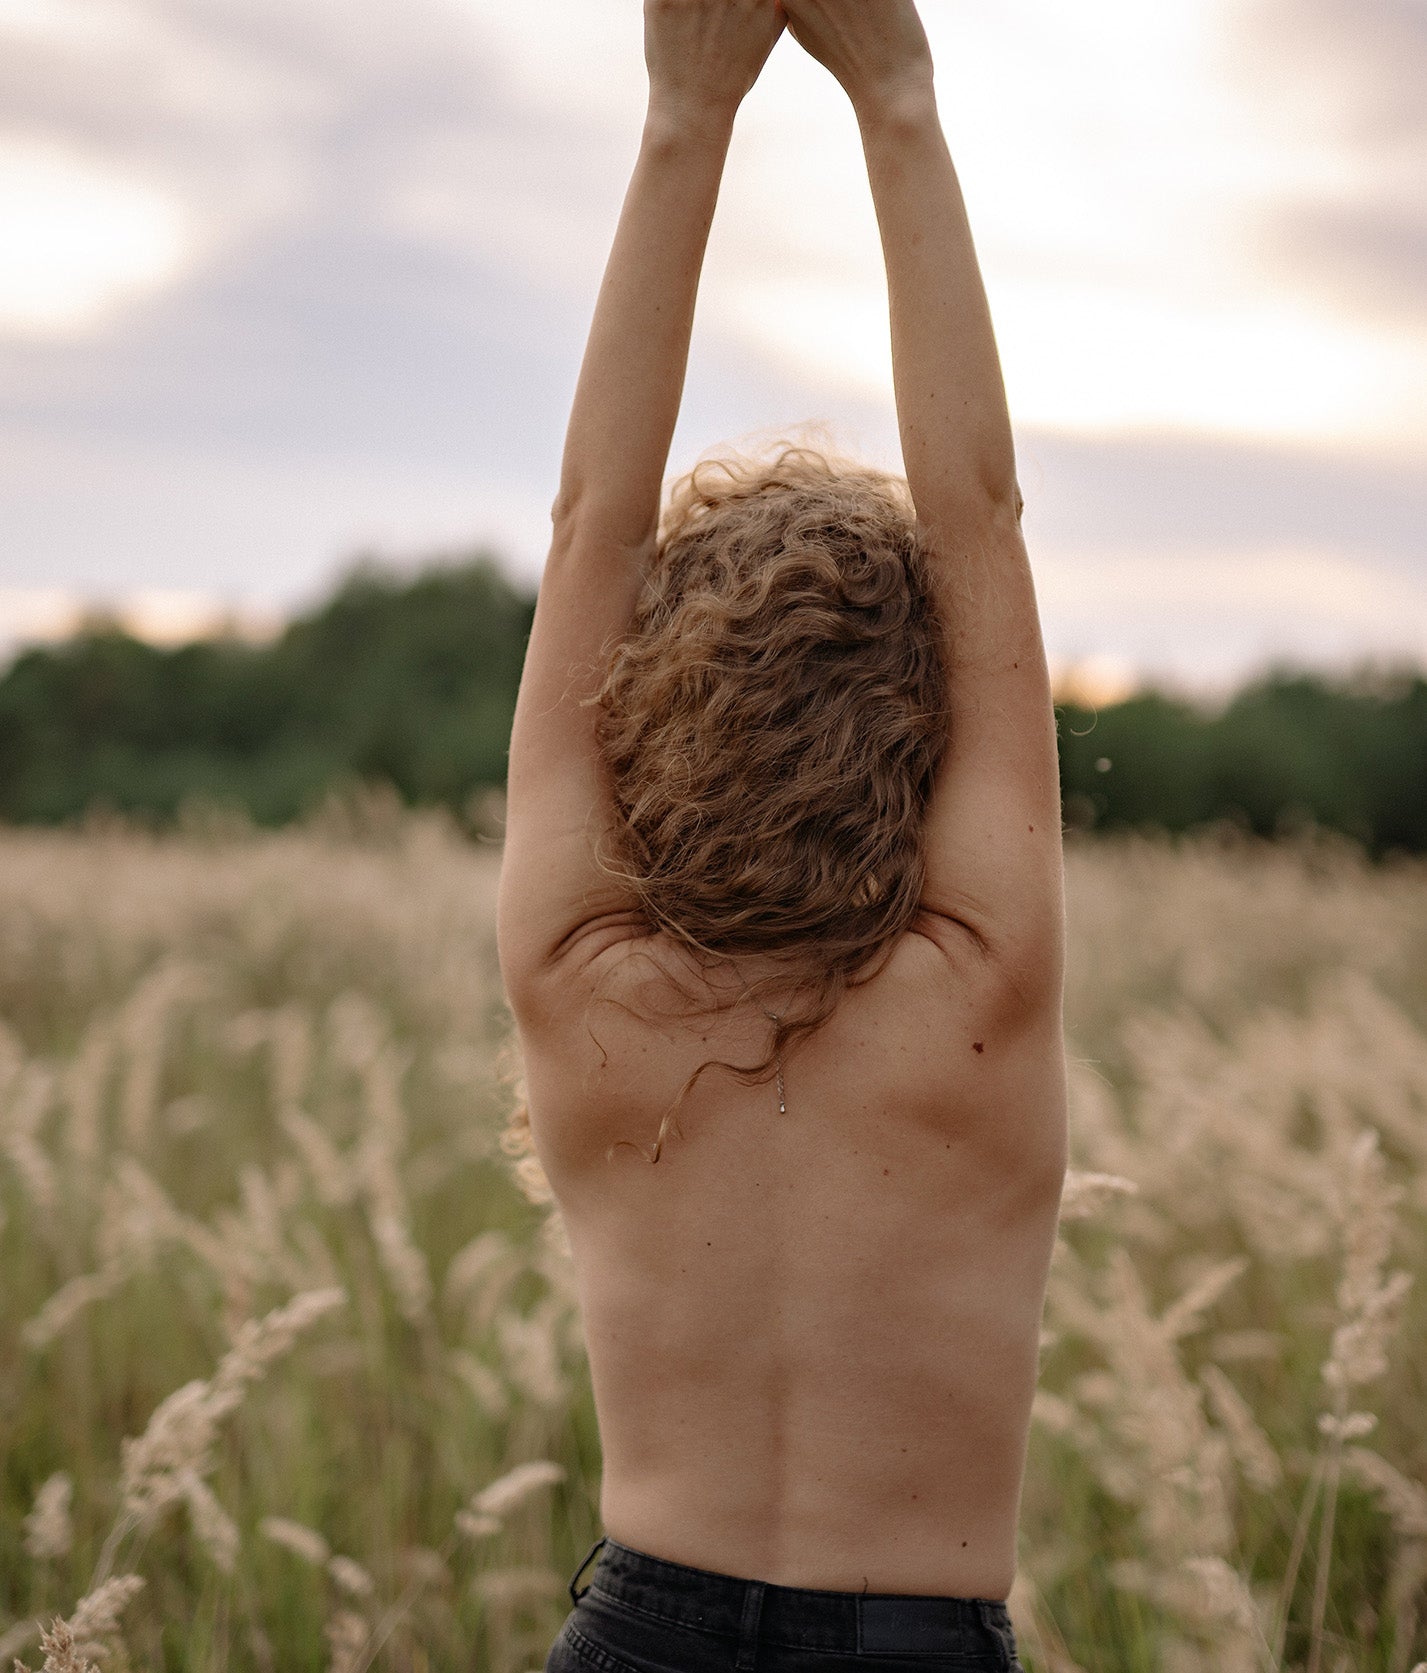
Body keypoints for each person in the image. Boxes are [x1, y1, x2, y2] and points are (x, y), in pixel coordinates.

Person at [497, 2, 1067, 1668]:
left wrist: (687, 112)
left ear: (644, 712)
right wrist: (896, 91)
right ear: (925, 724)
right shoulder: (980, 981)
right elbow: (984, 514)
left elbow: (590, 523)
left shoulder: (578, 983)